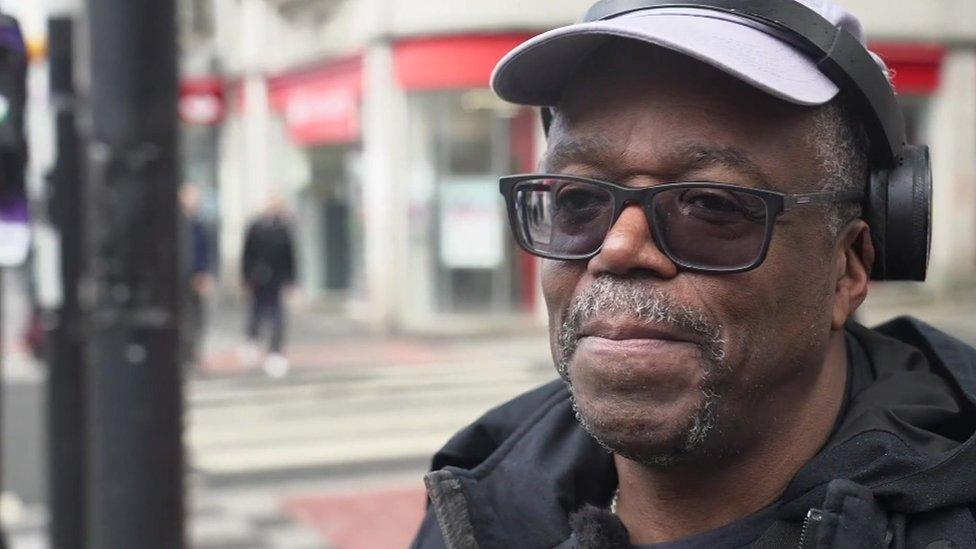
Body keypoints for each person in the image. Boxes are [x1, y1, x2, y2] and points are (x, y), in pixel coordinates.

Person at [412, 1, 976, 548]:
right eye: (577, 200)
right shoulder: (480, 500)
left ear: (847, 269)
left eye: (711, 205)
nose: (619, 248)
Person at [241, 194, 296, 378]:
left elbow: (290, 255)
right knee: (256, 312)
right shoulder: (255, 227)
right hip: (258, 277)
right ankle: (252, 341)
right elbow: (247, 253)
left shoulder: (284, 228)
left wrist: (291, 279)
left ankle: (275, 351)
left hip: (277, 278)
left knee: (277, 316)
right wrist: (246, 277)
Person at [180, 184, 213, 373]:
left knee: (197, 318)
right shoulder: (176, 225)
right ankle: (185, 355)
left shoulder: (200, 225)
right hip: (180, 280)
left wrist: (204, 273)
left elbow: (205, 252)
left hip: (196, 278)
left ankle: (194, 354)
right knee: (184, 317)